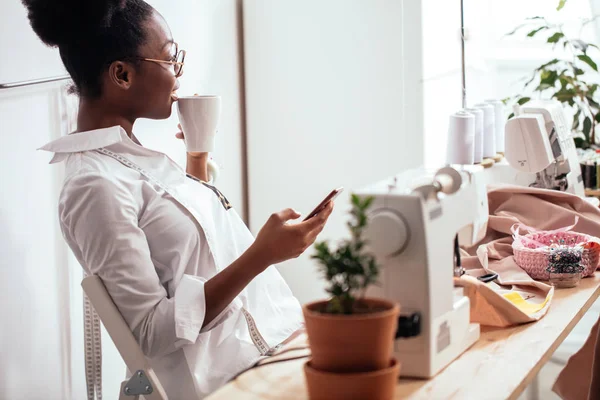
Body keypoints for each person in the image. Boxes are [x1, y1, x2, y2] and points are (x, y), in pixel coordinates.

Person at [23, 0, 334, 398]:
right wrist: (262, 255)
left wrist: (197, 159)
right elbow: (152, 332)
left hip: (280, 344)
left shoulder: (130, 158)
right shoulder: (93, 186)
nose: (178, 73)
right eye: (171, 58)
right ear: (122, 74)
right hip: (229, 381)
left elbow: (185, 256)